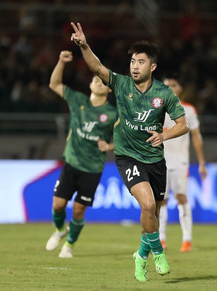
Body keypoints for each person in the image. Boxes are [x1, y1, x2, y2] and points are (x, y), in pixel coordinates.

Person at [70, 22, 189, 281]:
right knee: (147, 204)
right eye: (133, 61)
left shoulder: (164, 94)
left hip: (155, 160)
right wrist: (84, 46)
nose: (134, 66)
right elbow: (97, 67)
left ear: (152, 67)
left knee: (152, 214)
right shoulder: (122, 85)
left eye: (141, 62)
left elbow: (183, 125)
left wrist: (165, 134)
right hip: (127, 156)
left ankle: (140, 254)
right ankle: (158, 252)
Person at [46, 50, 116, 258]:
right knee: (58, 206)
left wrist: (109, 147)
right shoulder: (77, 100)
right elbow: (54, 85)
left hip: (92, 168)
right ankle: (60, 230)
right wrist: (60, 61)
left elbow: (126, 135)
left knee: (78, 211)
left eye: (102, 81)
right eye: (95, 79)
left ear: (109, 89)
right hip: (71, 162)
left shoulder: (113, 114)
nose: (97, 81)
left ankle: (69, 245)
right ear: (90, 85)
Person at [159, 74, 207, 252]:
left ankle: (187, 240)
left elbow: (196, 136)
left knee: (181, 197)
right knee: (161, 201)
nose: (171, 88)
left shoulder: (189, 110)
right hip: (160, 162)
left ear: (180, 89)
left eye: (174, 85)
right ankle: (161, 239)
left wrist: (201, 162)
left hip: (181, 162)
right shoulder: (156, 109)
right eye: (167, 85)